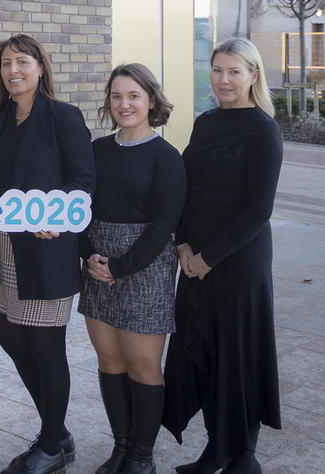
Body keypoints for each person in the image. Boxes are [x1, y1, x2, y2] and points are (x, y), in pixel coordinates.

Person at [0, 35, 96, 474]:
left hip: (45, 247)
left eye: (22, 61)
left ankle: (49, 448)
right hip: (0, 245)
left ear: (40, 67)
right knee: (11, 339)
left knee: (46, 346)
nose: (13, 70)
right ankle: (57, 432)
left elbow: (84, 179)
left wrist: (58, 213)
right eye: (6, 63)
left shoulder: (63, 116)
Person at [162, 37, 283, 474]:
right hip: (196, 257)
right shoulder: (206, 122)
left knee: (238, 355)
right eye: (217, 70)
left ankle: (243, 455)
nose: (224, 79)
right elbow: (189, 190)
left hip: (239, 261)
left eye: (234, 71)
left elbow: (259, 209)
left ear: (253, 75)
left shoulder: (264, 129)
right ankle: (217, 448)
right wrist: (183, 244)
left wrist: (208, 258)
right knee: (205, 349)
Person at [78, 63, 186, 474]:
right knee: (109, 361)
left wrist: (121, 267)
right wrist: (89, 255)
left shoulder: (166, 157)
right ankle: (121, 447)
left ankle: (142, 456)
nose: (124, 104)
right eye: (117, 96)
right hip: (97, 267)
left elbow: (165, 224)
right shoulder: (97, 150)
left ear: (151, 101)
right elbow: (81, 208)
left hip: (145, 269)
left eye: (134, 96)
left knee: (143, 365)